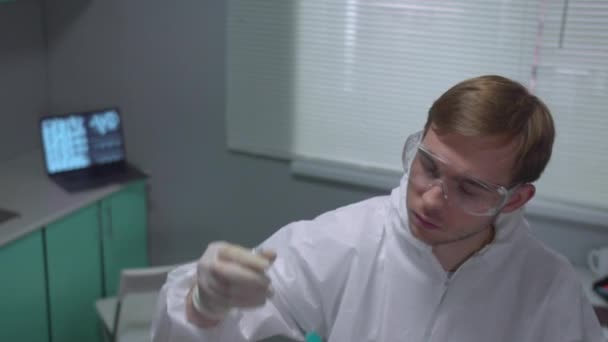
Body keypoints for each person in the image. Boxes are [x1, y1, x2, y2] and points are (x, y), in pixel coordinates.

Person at [151, 75, 604, 341]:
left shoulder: (550, 289)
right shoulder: (345, 241)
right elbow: (224, 326)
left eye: (470, 188)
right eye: (428, 165)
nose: (430, 197)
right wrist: (202, 305)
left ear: (515, 200)